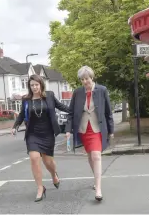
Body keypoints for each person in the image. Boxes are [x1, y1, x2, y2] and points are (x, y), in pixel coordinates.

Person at [11, 74, 69, 202]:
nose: (34, 87)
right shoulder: (26, 99)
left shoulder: (49, 95)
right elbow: (21, 115)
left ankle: (54, 175)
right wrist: (15, 126)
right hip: (32, 133)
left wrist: (75, 111)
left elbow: (61, 106)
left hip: (47, 133)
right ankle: (40, 188)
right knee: (34, 158)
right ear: (29, 86)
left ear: (41, 84)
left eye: (36, 85)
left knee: (48, 162)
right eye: (32, 85)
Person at [65, 66, 114, 202]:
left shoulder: (102, 90)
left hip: (97, 128)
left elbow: (108, 112)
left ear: (92, 77)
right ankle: (96, 178)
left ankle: (98, 188)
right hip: (83, 129)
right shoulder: (77, 92)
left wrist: (111, 131)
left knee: (96, 155)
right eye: (82, 79)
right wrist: (68, 130)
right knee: (90, 155)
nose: (85, 81)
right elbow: (70, 113)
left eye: (87, 78)